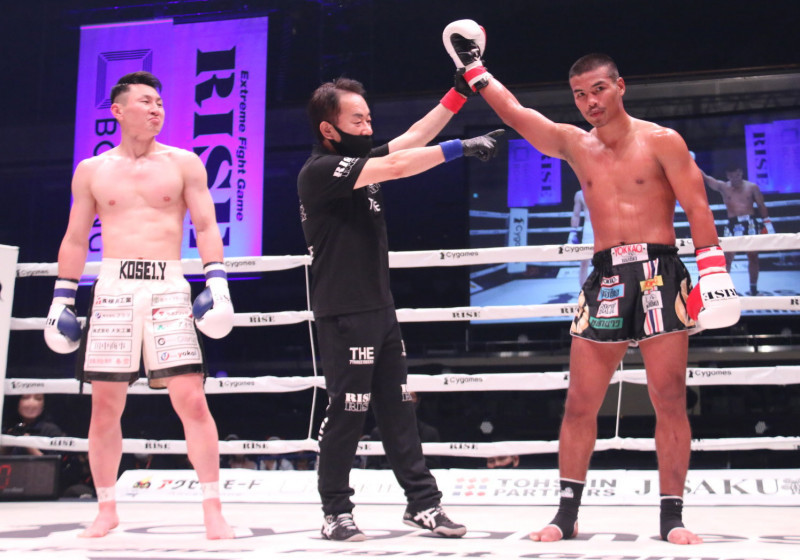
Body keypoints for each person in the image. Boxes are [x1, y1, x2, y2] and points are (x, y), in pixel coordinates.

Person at [442, 20, 740, 545]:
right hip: (606, 278)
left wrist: (713, 270)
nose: (589, 102)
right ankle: (566, 514)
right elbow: (518, 114)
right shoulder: (576, 145)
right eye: (580, 94)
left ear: (620, 86)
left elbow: (698, 206)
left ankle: (672, 518)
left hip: (659, 271)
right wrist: (475, 72)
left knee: (669, 397)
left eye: (598, 89)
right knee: (580, 401)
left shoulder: (663, 140)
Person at [298, 75, 501, 541]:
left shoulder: (360, 162)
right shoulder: (320, 171)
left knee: (399, 408)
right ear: (329, 129)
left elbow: (412, 138)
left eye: (369, 118)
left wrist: (457, 93)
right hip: (344, 312)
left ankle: (423, 504)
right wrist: (461, 148)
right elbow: (397, 166)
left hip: (380, 309)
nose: (368, 127)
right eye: (357, 120)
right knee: (348, 411)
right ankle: (335, 511)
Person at [43, 71, 235, 539]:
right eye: (146, 101)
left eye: (160, 103)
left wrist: (218, 283)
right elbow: (75, 237)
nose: (156, 109)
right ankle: (106, 508)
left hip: (168, 286)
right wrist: (61, 297)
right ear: (118, 109)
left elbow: (206, 227)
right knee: (105, 407)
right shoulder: (92, 170)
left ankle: (213, 508)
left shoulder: (184, 163)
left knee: (192, 399)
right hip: (113, 288)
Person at [698, 162, 775, 295]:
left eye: (737, 175)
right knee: (727, 258)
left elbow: (761, 205)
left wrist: (768, 223)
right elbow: (705, 177)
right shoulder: (723, 187)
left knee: (753, 257)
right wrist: (690, 161)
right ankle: (725, 289)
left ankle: (753, 288)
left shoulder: (752, 187)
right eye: (732, 176)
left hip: (750, 223)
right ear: (728, 176)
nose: (735, 179)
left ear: (741, 173)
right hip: (733, 224)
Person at [568, 189, 593, 286]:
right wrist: (572, 233)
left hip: (604, 226)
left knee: (607, 258)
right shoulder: (580, 194)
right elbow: (576, 214)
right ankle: (584, 290)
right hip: (589, 227)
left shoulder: (605, 190)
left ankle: (608, 289)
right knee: (584, 260)